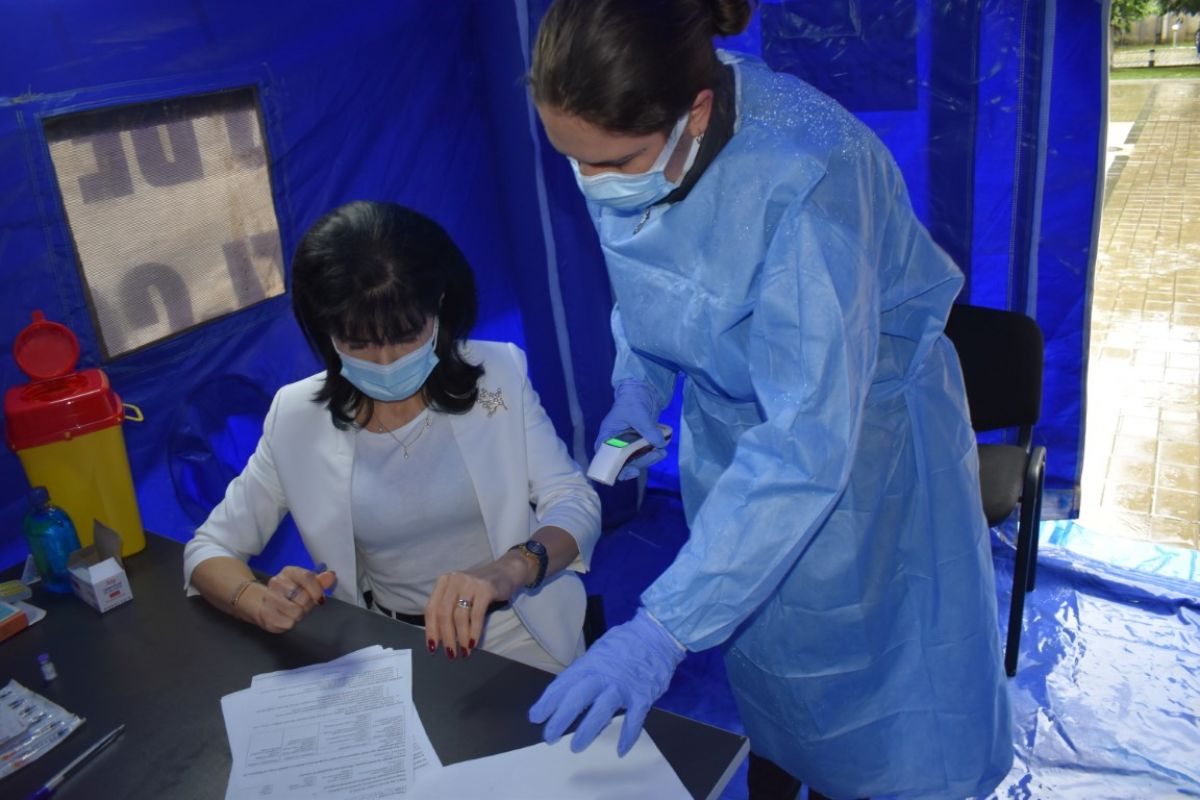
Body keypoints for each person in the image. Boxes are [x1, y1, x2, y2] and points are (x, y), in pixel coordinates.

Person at [525, 1, 1014, 797]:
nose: (594, 183)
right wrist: (637, 382)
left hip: (868, 471)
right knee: (776, 684)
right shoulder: (626, 137)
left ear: (697, 113)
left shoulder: (811, 181)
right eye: (573, 160)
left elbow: (805, 441)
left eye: (613, 163)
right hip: (741, 461)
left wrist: (662, 629)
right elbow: (655, 282)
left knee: (885, 715)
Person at [183, 200, 601, 674]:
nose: (386, 362)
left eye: (405, 336)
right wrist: (256, 600)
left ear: (438, 305)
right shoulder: (297, 418)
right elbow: (208, 549)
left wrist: (510, 569)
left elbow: (574, 500)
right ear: (325, 330)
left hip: (522, 634)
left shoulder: (498, 376)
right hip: (390, 649)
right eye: (358, 344)